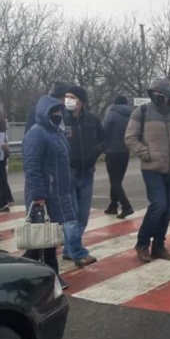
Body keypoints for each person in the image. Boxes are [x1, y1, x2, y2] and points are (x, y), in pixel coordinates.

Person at [125, 78, 170, 263]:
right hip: (152, 167)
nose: (157, 97)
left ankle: (159, 246)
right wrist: (146, 153)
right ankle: (142, 243)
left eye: (160, 94)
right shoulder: (143, 111)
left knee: (168, 208)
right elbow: (130, 137)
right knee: (158, 205)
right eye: (154, 93)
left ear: (168, 95)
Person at [22, 96, 74, 289]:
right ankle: (51, 276)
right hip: (44, 195)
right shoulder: (37, 134)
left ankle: (28, 273)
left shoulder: (56, 133)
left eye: (59, 111)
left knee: (46, 238)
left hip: (57, 194)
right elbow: (31, 166)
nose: (57, 115)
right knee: (45, 239)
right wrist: (38, 195)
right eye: (53, 111)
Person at [61, 85, 105, 267]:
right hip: (68, 172)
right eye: (66, 96)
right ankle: (78, 252)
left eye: (72, 97)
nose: (68, 100)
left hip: (87, 172)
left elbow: (103, 138)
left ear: (81, 101)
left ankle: (68, 249)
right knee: (70, 217)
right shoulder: (61, 118)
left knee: (82, 216)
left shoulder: (92, 119)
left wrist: (97, 151)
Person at [102, 96, 134, 219]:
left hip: (112, 151)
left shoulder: (111, 115)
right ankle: (113, 205)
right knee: (117, 180)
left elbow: (104, 131)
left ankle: (126, 206)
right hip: (125, 151)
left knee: (114, 181)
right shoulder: (130, 116)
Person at [0, 97, 15, 212]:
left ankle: (5, 200)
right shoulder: (1, 117)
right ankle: (6, 199)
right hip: (2, 150)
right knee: (1, 177)